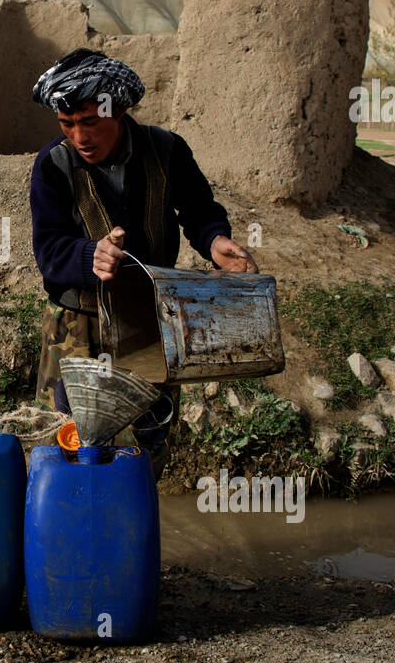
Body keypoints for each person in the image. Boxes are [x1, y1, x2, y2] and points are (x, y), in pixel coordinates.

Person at [28, 49, 257, 474]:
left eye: (90, 121)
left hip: (150, 324)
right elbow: (49, 250)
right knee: (70, 448)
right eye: (68, 124)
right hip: (79, 330)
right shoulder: (53, 166)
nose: (80, 136)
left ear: (120, 110)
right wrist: (87, 256)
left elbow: (199, 210)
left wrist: (216, 241)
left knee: (143, 449)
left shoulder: (167, 150)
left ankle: (130, 528)